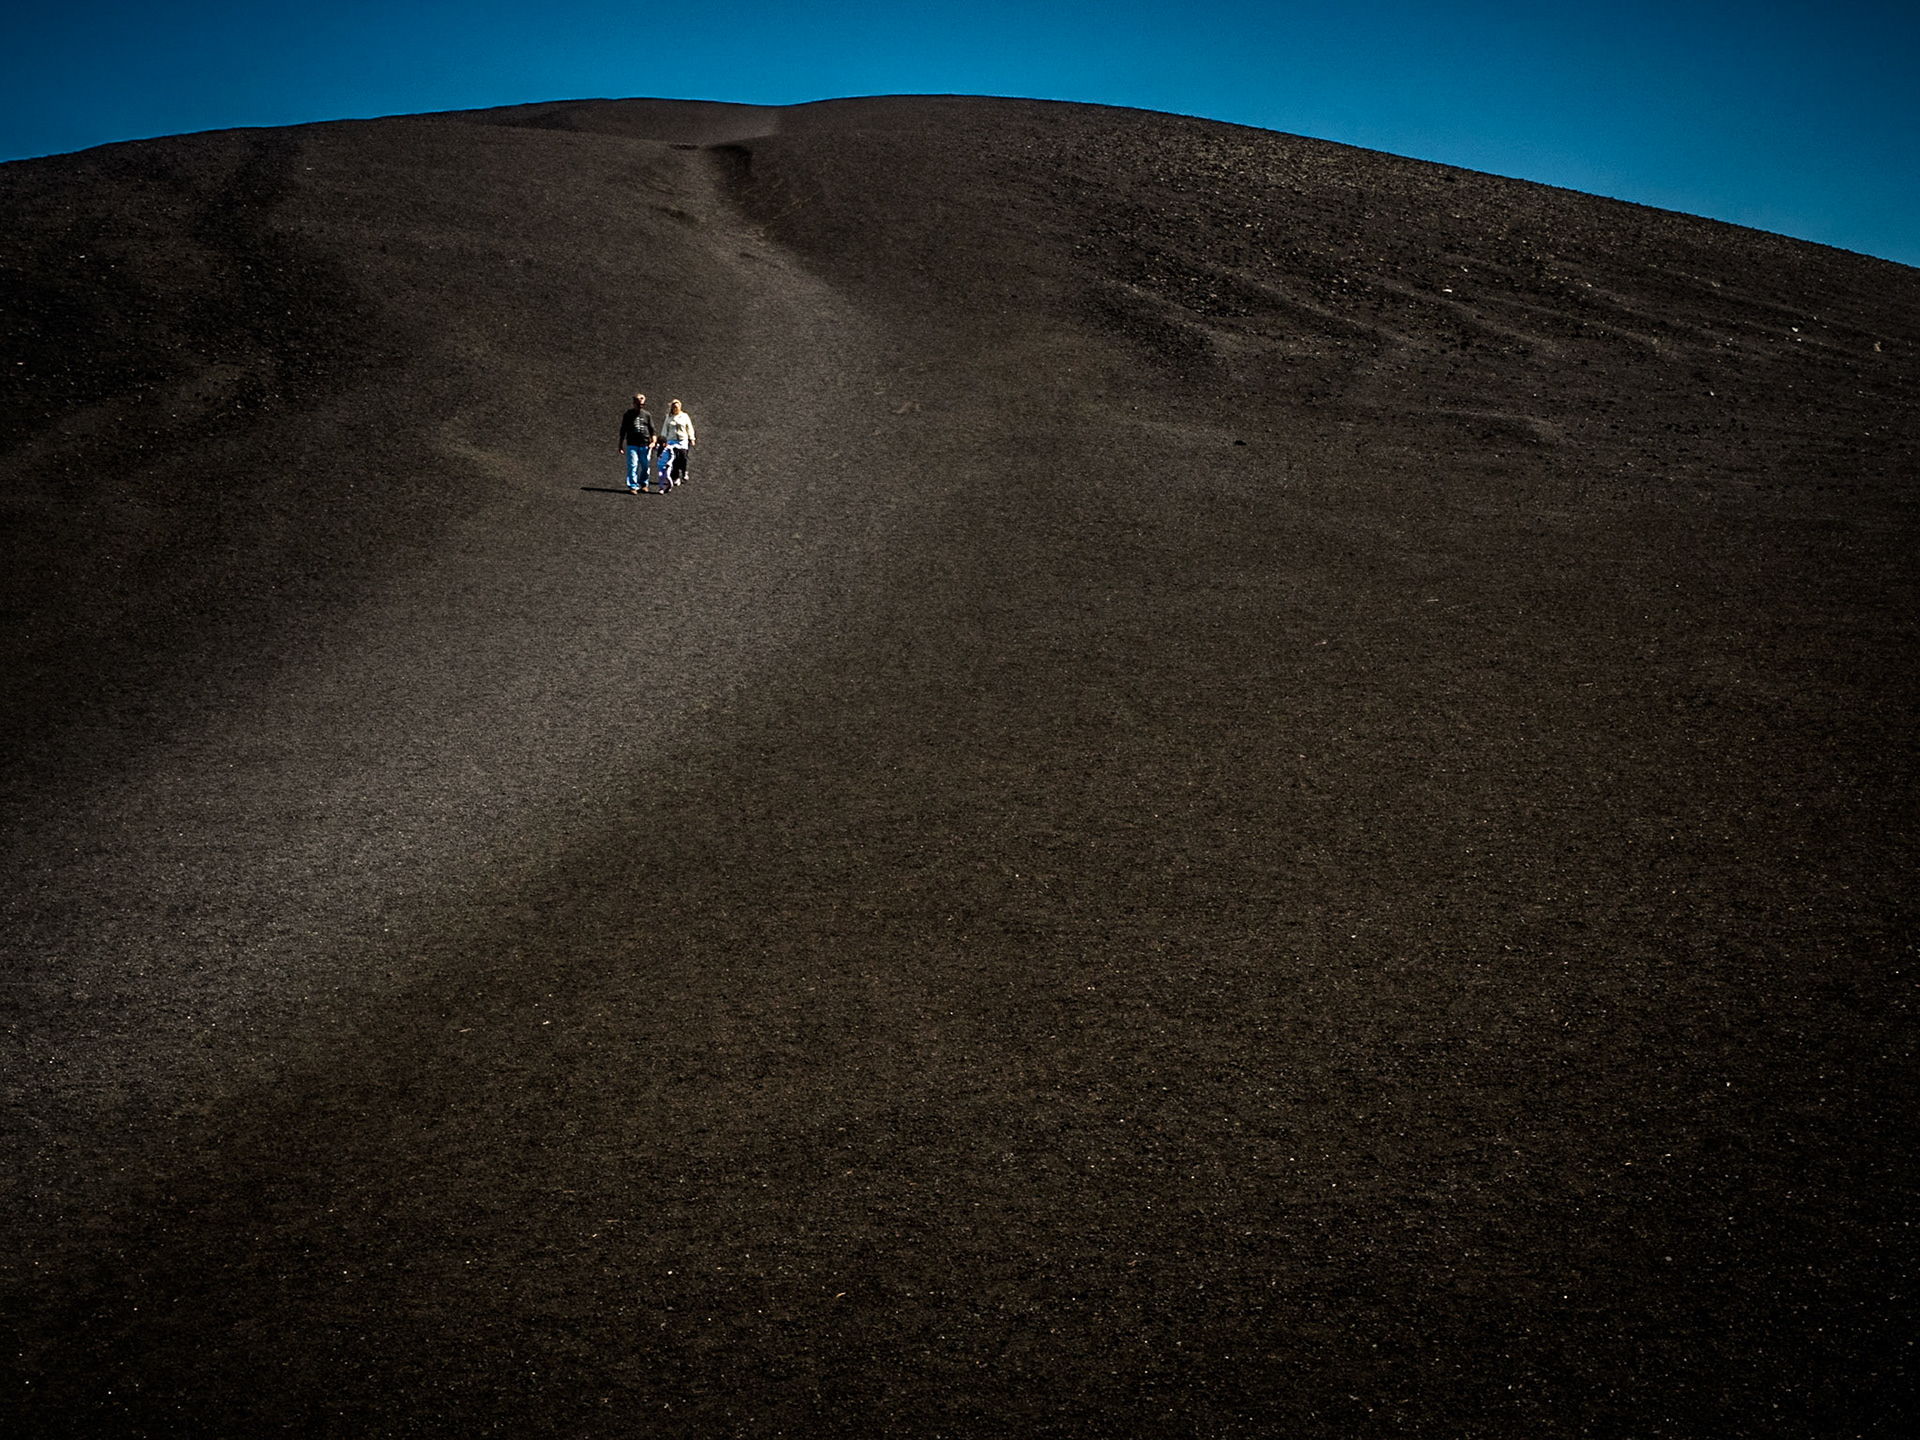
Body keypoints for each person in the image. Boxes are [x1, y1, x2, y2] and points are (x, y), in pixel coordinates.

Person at [617, 392, 657, 493]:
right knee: (633, 465)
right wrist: (620, 445)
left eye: (642, 405)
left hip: (645, 444)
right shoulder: (628, 415)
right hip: (632, 444)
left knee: (645, 466)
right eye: (639, 404)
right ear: (634, 403)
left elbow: (652, 430)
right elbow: (623, 430)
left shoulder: (647, 415)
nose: (640, 407)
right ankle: (633, 486)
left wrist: (653, 441)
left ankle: (643, 483)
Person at [661, 399, 696, 487]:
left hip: (682, 440)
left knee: (683, 457)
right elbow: (665, 429)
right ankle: (675, 477)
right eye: (674, 407)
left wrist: (692, 438)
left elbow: (689, 427)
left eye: (677, 407)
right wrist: (663, 440)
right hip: (672, 440)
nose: (676, 409)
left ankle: (684, 471)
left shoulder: (684, 416)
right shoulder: (669, 417)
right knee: (674, 459)